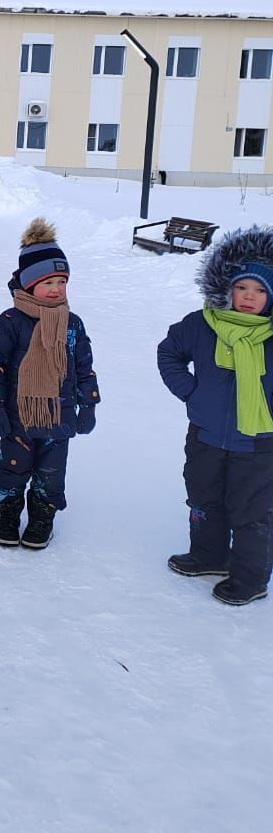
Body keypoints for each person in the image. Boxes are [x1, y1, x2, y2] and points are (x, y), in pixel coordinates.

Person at [157, 225, 273, 606]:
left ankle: (250, 578)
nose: (249, 297)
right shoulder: (202, 325)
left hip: (258, 445)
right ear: (226, 286)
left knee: (252, 512)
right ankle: (209, 556)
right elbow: (169, 352)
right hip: (206, 435)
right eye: (242, 287)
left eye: (260, 290)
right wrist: (190, 391)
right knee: (204, 499)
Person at [0, 218, 100, 550]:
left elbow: (84, 366)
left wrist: (87, 403)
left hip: (58, 419)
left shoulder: (72, 324)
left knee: (50, 475)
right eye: (49, 282)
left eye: (62, 281)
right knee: (12, 469)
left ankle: (42, 517)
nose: (57, 289)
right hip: (17, 418)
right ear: (29, 284)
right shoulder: (9, 322)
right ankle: (7, 513)